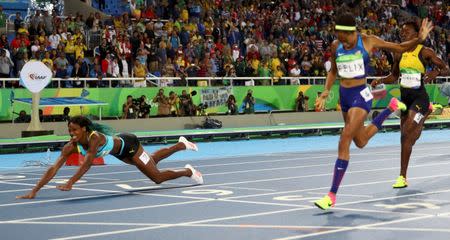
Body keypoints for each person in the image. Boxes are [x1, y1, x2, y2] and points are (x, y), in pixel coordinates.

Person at [313, 10, 433, 210]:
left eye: (348, 40)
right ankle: (389, 109)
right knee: (360, 141)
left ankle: (331, 195)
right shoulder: (336, 46)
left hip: (361, 96)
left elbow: (399, 46)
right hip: (345, 97)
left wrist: (419, 39)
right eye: (341, 40)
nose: (346, 44)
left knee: (344, 138)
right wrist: (326, 91)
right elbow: (333, 71)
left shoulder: (369, 41)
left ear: (354, 33)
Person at [17, 115, 203, 199]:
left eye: (74, 130)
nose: (71, 134)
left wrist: (71, 182)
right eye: (69, 130)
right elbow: (54, 167)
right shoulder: (70, 147)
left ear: (84, 129)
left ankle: (188, 171)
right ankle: (181, 144)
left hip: (129, 145)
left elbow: (87, 164)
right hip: (120, 153)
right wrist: (35, 190)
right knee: (152, 160)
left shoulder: (94, 138)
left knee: (156, 177)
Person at [371, 21, 449, 188]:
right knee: (407, 138)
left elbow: (446, 69)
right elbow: (393, 76)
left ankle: (402, 177)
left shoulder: (426, 52)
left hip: (420, 98)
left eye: (406, 31)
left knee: (407, 133)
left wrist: (436, 72)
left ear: (416, 34)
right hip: (405, 99)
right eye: (401, 31)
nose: (402, 34)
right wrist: (380, 80)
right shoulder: (399, 54)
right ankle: (426, 114)